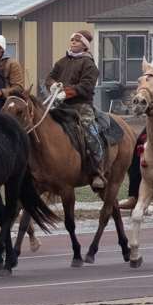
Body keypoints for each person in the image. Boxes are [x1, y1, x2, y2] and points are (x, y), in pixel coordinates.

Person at [45, 30, 105, 191]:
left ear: (85, 46)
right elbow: (50, 76)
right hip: (59, 105)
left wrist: (66, 92)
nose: (73, 42)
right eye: (72, 40)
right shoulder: (62, 61)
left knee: (89, 132)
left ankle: (97, 170)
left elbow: (86, 86)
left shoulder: (89, 64)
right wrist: (52, 86)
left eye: (77, 41)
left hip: (81, 106)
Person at [0, 35, 27, 111]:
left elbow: (19, 88)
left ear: (1, 48)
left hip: (8, 104)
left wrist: (1, 92)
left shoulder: (13, 64)